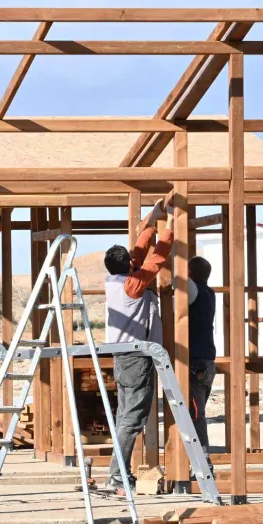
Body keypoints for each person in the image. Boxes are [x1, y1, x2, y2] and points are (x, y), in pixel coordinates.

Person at [103, 199, 174, 493]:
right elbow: (155, 260)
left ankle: (118, 474)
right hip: (135, 359)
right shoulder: (132, 285)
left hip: (123, 358)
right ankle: (117, 475)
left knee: (125, 417)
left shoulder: (115, 280)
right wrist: (170, 227)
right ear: (128, 266)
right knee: (132, 420)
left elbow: (140, 252)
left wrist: (153, 218)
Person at [187, 256, 217, 472]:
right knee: (197, 413)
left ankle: (202, 461)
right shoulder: (209, 293)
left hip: (195, 362)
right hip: (206, 361)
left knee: (196, 415)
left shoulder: (193, 291)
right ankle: (198, 459)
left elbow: (179, 278)